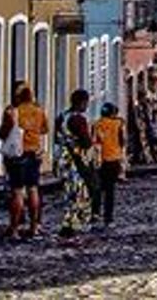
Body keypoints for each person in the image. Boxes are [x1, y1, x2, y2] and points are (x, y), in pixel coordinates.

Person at [0, 82, 48, 239]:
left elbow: (3, 133)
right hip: (33, 153)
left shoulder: (13, 112)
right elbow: (44, 130)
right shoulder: (39, 111)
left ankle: (14, 228)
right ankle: (34, 227)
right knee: (33, 189)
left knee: (17, 191)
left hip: (17, 155)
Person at [56, 89, 94, 239]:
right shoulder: (78, 119)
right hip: (76, 158)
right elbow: (86, 141)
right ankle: (75, 224)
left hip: (62, 157)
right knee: (81, 191)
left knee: (68, 191)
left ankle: (68, 223)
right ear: (82, 102)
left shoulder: (62, 117)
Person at [92, 102, 126, 226]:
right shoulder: (118, 124)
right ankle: (108, 218)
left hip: (100, 160)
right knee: (110, 191)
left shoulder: (97, 124)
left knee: (97, 190)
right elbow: (122, 142)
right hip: (114, 160)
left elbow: (94, 142)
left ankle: (95, 215)